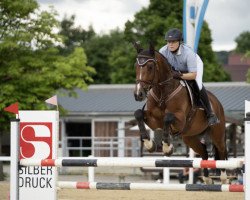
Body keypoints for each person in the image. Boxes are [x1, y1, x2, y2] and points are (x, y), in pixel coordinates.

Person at [159, 28, 219, 126]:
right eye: (168, 41)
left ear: (180, 42)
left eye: (173, 41)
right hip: (176, 69)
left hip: (193, 68)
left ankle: (210, 114)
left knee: (198, 85)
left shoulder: (188, 53)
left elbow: (193, 75)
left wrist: (179, 75)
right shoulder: (163, 51)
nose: (170, 44)